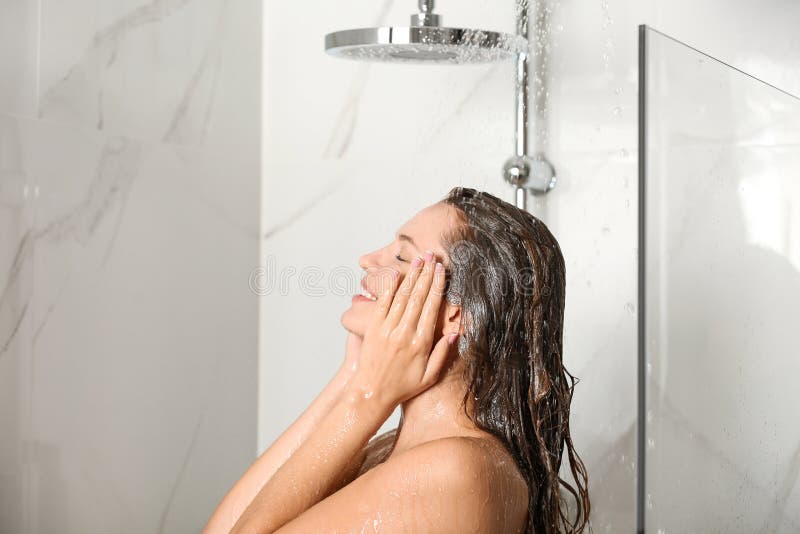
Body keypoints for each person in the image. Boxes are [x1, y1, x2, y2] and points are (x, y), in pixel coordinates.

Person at [204, 187, 590, 533]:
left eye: (402, 256)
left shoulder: (455, 470)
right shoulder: (392, 450)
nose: (367, 260)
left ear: (454, 314)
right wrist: (353, 378)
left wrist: (368, 398)